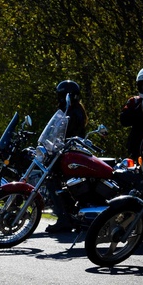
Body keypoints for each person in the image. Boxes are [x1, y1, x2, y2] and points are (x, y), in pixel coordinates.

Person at [45, 80, 88, 233]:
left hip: (69, 154)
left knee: (53, 183)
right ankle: (68, 216)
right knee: (60, 184)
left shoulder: (73, 112)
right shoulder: (71, 109)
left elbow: (65, 133)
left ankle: (64, 219)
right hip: (67, 153)